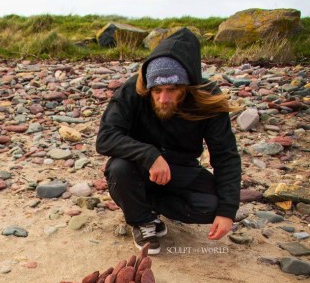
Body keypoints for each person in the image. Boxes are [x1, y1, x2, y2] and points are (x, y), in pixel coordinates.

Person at [95, 27, 241, 255]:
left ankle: (147, 204)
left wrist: (227, 211)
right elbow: (105, 138)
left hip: (181, 169)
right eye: (157, 91)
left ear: (187, 86)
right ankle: (142, 219)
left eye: (172, 90)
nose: (163, 98)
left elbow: (225, 156)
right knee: (119, 168)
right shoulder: (133, 90)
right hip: (137, 168)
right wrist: (149, 155)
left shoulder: (208, 96)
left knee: (215, 206)